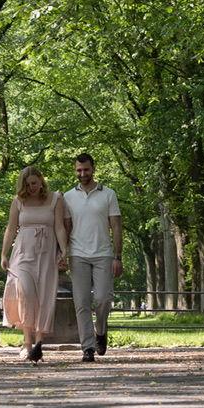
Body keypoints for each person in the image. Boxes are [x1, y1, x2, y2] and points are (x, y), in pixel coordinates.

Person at [0, 165, 67, 362]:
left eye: (35, 183)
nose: (32, 188)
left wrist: (64, 251)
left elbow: (60, 227)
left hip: (46, 253)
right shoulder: (18, 201)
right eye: (27, 185)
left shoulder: (55, 198)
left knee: (44, 297)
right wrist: (4, 254)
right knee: (26, 294)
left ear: (41, 180)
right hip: (22, 254)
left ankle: (38, 344)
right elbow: (11, 229)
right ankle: (26, 343)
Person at [60, 150, 121, 363]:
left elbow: (116, 226)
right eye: (78, 170)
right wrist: (63, 253)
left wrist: (118, 256)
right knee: (81, 302)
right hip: (77, 255)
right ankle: (87, 348)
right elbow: (65, 228)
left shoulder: (108, 194)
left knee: (103, 299)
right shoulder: (67, 197)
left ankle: (101, 331)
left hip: (103, 253)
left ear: (93, 169)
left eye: (86, 169)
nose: (82, 173)